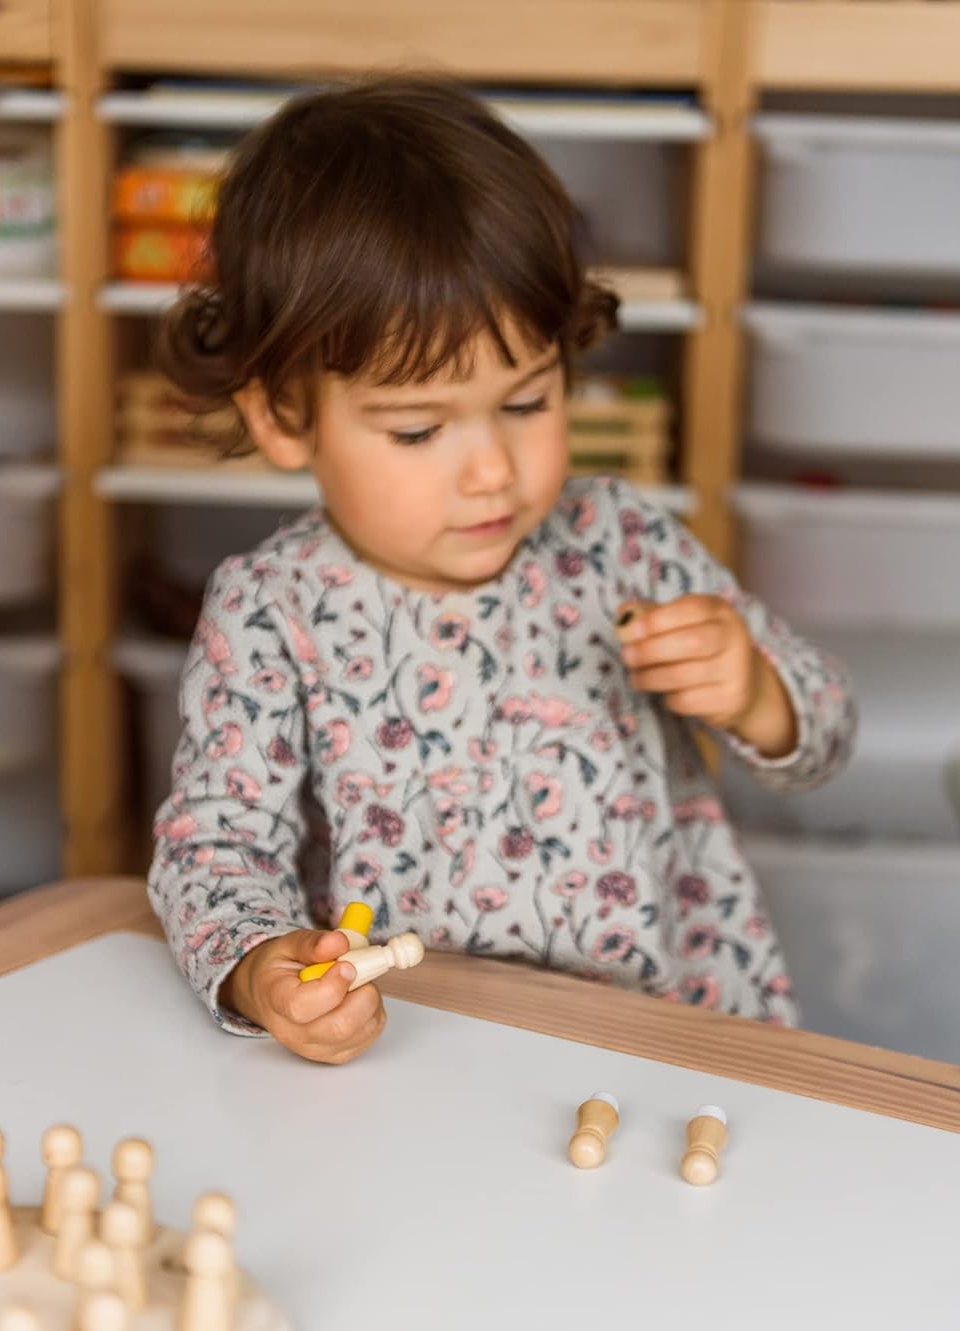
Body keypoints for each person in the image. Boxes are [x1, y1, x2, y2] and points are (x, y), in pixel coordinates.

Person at [149, 75, 855, 1062]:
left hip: (672, 1030)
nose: (491, 471)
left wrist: (754, 691)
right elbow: (215, 848)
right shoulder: (271, 612)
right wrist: (263, 966)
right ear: (281, 416)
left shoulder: (618, 542)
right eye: (419, 428)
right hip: (420, 1051)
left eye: (526, 403)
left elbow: (822, 732)